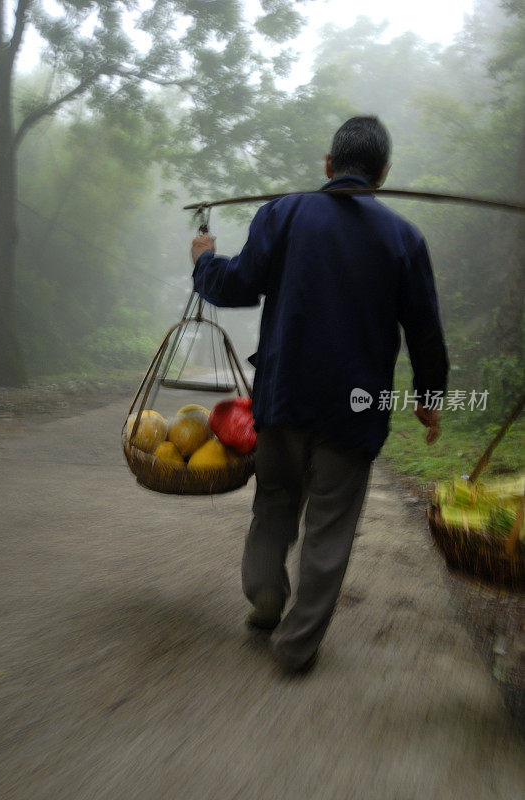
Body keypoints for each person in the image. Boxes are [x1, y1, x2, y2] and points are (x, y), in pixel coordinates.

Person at [190, 116, 449, 673]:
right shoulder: (404, 239)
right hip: (356, 411)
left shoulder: (283, 214)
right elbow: (424, 329)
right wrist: (430, 396)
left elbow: (234, 285)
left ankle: (263, 593)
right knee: (330, 525)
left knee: (275, 502)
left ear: (329, 166)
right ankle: (297, 645)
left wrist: (204, 261)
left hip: (284, 396)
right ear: (382, 175)